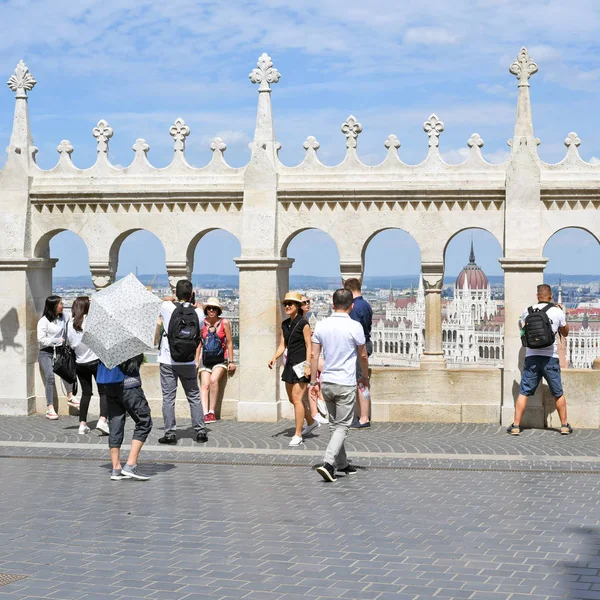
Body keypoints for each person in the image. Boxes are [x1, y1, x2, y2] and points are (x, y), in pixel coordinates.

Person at [310, 289, 369, 482]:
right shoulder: (355, 326)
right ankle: (328, 463)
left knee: (334, 426)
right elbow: (362, 355)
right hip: (345, 381)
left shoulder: (321, 325)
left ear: (332, 304)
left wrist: (313, 381)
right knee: (343, 426)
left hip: (326, 381)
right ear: (351, 306)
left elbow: (314, 355)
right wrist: (365, 376)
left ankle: (342, 464)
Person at [508, 283, 572, 436]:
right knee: (558, 392)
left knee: (524, 392)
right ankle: (564, 425)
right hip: (551, 357)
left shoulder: (527, 311)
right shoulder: (557, 311)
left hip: (532, 357)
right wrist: (561, 313)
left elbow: (522, 328)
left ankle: (516, 425)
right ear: (551, 296)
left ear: (537, 296)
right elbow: (565, 332)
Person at [157, 280, 207, 445]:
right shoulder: (199, 312)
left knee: (168, 398)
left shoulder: (166, 307)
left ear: (176, 293)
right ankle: (200, 431)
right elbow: (198, 334)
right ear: (192, 294)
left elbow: (160, 302)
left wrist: (171, 298)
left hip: (168, 359)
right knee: (193, 396)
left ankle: (170, 433)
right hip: (188, 360)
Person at [268, 292, 316, 446]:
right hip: (290, 365)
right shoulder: (284, 324)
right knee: (292, 399)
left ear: (297, 306)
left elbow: (309, 346)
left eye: (291, 304)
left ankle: (298, 434)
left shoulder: (304, 324)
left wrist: (308, 365)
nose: (287, 306)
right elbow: (283, 344)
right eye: (286, 304)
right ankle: (310, 421)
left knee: (296, 399)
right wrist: (274, 357)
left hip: (302, 365)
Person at [97, 356, 152, 481]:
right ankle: (131, 465)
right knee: (144, 421)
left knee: (115, 421)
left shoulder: (107, 341)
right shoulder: (129, 342)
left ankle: (116, 467)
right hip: (129, 384)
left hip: (110, 384)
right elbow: (134, 362)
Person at [67, 296, 109, 435]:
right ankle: (102, 419)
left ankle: (82, 424)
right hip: (95, 361)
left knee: (86, 393)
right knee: (103, 391)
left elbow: (71, 344)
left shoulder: (70, 323)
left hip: (80, 363)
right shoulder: (90, 321)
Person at [198, 297, 236, 422]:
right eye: (209, 308)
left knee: (214, 380)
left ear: (218, 310)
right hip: (206, 358)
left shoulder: (224, 323)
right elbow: (199, 343)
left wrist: (231, 361)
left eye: (214, 308)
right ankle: (204, 413)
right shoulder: (202, 323)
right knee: (205, 385)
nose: (211, 310)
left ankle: (211, 411)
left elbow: (229, 342)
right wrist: (196, 360)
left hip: (220, 358)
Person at [37, 295, 74, 420]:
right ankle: (50, 407)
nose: (62, 305)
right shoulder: (43, 321)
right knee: (50, 376)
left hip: (59, 352)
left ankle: (70, 396)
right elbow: (41, 340)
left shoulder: (64, 317)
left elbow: (75, 314)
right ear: (53, 306)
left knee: (66, 371)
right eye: (60, 304)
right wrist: (58, 340)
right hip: (45, 353)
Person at [343, 278, 373, 428]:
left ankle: (364, 418)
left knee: (361, 382)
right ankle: (363, 416)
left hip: (359, 348)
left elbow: (353, 330)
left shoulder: (354, 307)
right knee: (361, 381)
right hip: (367, 344)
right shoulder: (366, 304)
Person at [301, 295, 328, 426]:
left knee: (316, 377)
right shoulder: (301, 320)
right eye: (304, 302)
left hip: (308, 354)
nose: (308, 304)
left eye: (308, 302)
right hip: (303, 356)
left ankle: (315, 411)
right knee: (320, 371)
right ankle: (319, 402)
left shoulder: (305, 319)